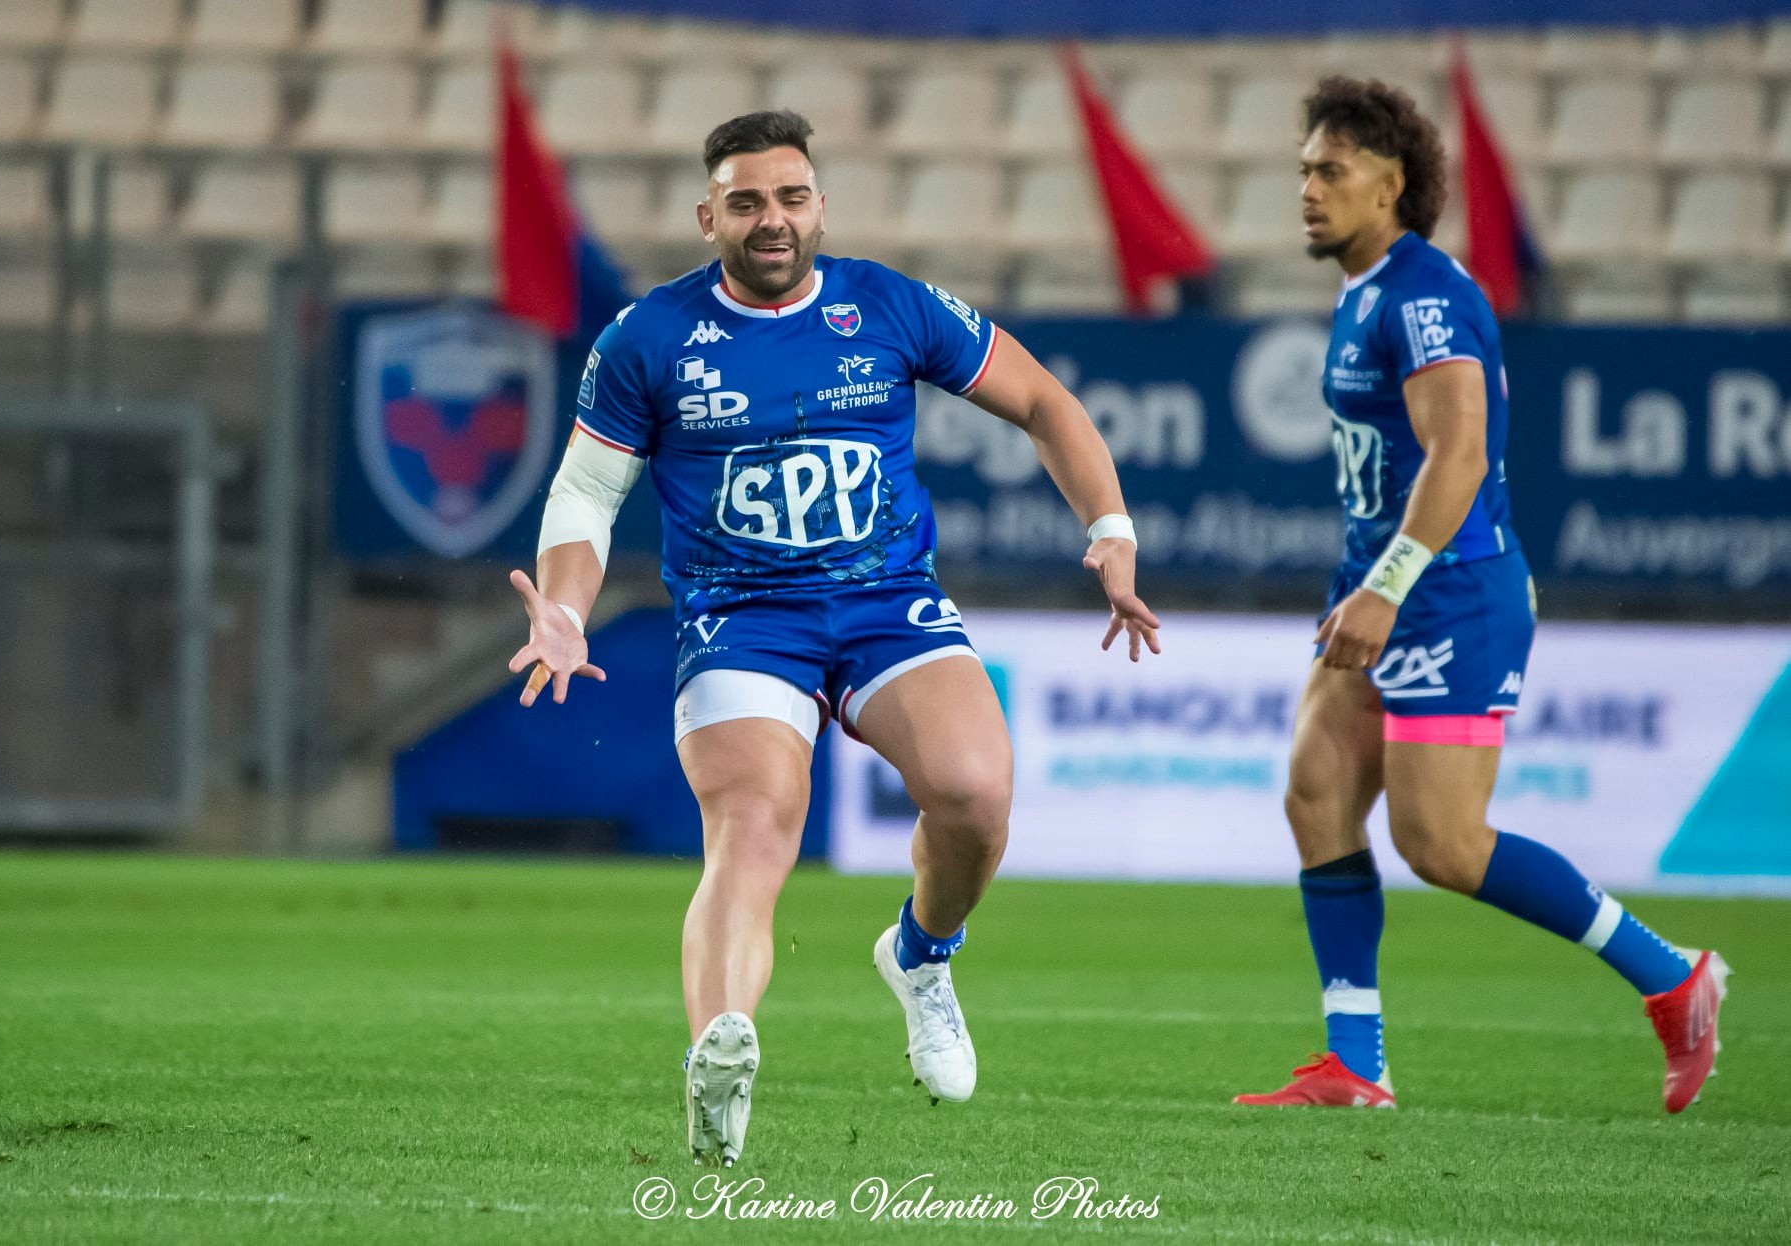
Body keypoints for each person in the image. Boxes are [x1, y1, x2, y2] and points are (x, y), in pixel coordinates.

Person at [507, 110, 1160, 1164]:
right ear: (709, 213)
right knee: (756, 822)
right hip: (741, 619)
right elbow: (586, 492)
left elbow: (1043, 401)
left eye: (793, 196)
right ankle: (719, 1050)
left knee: (976, 793)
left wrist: (1112, 529)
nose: (774, 219)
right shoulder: (647, 338)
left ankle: (921, 955)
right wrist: (564, 607)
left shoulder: (887, 304)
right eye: (750, 200)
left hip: (884, 601)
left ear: (819, 204)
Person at [1235, 78, 1727, 1112]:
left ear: (1393, 184)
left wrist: (1386, 587)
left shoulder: (1423, 293)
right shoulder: (1367, 289)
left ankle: (1672, 976)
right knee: (1316, 789)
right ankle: (1355, 1062)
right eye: (1303, 172)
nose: (1308, 191)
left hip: (1450, 591)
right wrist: (1365, 585)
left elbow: (1459, 453)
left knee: (1444, 847)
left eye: (1331, 171)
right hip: (1380, 581)